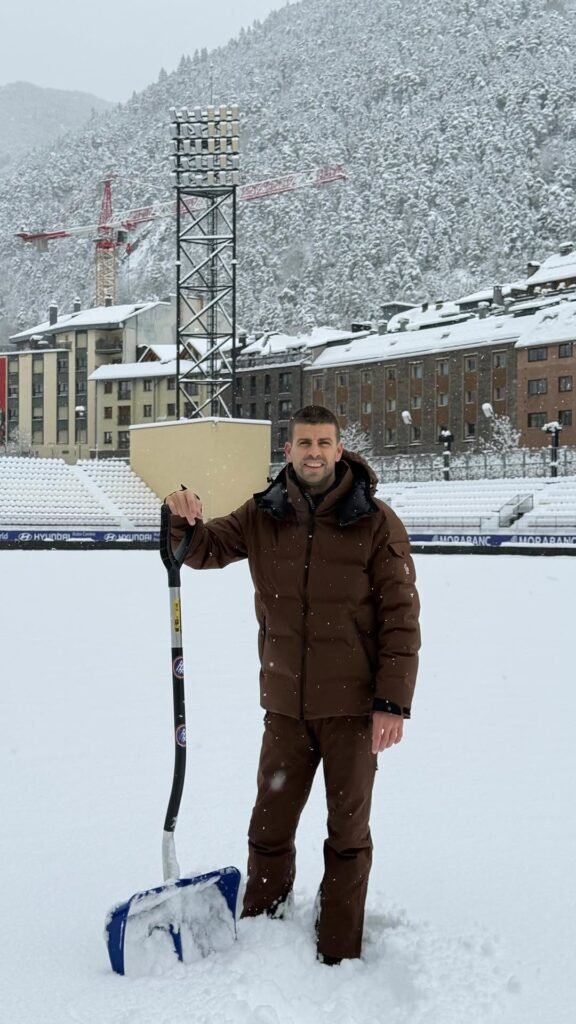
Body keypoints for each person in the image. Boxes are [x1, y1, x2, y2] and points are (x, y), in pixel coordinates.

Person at [165, 404, 420, 965]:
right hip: (284, 708)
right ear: (288, 451)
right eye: (303, 443)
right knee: (269, 827)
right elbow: (202, 548)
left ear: (339, 448)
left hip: (353, 711)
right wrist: (179, 517)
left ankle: (339, 949)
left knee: (348, 835)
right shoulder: (263, 514)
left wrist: (392, 702)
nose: (313, 452)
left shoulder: (375, 521)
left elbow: (401, 617)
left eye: (323, 443)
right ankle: (264, 927)